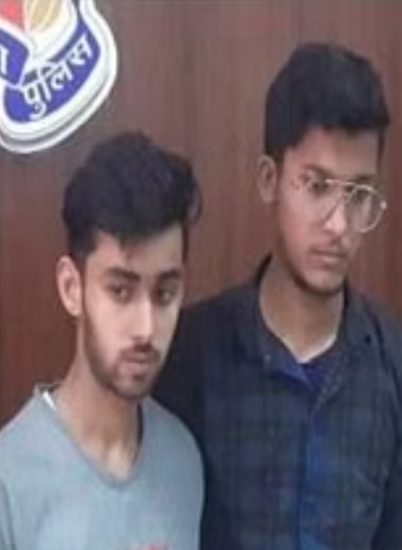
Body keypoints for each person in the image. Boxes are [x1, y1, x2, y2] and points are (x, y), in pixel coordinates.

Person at [155, 42, 402, 550]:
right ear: (270, 180)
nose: (339, 224)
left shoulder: (393, 366)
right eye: (316, 186)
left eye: (359, 194)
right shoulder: (191, 355)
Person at [0, 131, 204, 550]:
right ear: (71, 288)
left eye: (165, 293)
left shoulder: (183, 459)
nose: (145, 328)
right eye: (121, 291)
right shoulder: (10, 479)